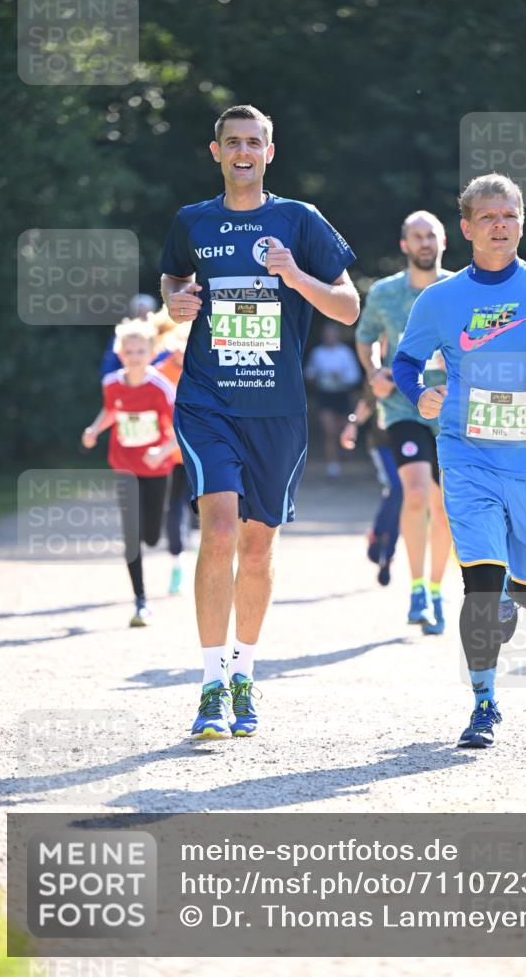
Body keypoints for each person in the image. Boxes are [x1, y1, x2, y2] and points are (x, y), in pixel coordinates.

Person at [159, 103, 358, 741]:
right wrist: (175, 300)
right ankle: (211, 685)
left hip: (277, 409)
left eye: (254, 142)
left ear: (269, 153)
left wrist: (294, 275)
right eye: (233, 142)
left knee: (258, 545)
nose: (243, 152)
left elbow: (348, 307)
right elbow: (174, 277)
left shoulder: (299, 220)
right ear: (215, 151)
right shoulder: (193, 221)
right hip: (207, 400)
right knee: (218, 529)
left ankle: (244, 672)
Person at [393, 173, 526, 749]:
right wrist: (420, 394)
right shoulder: (440, 299)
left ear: (522, 224)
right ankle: (484, 703)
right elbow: (406, 362)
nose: (500, 225)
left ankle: (518, 589)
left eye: (510, 215)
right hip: (467, 456)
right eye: (488, 216)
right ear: (466, 228)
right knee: (480, 585)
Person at [355, 212, 453, 635]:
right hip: (403, 405)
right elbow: (365, 338)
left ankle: (436, 590)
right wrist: (374, 373)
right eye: (417, 236)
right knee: (414, 492)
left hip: (451, 410)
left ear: (443, 242)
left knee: (445, 506)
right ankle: (415, 591)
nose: (425, 242)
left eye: (431, 235)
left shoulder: (462, 289)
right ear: (404, 245)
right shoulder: (384, 292)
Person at [82, 317, 179, 626]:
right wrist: (94, 429)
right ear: (120, 353)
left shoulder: (161, 387)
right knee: (131, 536)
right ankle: (141, 602)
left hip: (156, 467)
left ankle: (154, 527)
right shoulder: (111, 383)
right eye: (129, 351)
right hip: (124, 465)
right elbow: (112, 410)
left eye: (140, 351)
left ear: (152, 353)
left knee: (151, 536)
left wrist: (161, 451)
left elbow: (182, 428)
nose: (134, 357)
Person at [339, 376, 403, 586]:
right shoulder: (378, 369)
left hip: (410, 439)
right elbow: (368, 401)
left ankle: (388, 554)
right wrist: (352, 425)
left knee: (403, 496)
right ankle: (377, 533)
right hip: (382, 443)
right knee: (397, 487)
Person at [155, 321, 195, 594]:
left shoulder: (205, 370)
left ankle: (200, 545)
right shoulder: (158, 374)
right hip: (170, 456)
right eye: (179, 341)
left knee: (202, 508)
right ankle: (177, 564)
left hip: (200, 453)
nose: (182, 347)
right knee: (172, 509)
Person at [304, 322, 361, 477]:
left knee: (343, 428)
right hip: (325, 394)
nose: (330, 337)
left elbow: (355, 376)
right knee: (329, 431)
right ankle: (333, 464)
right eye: (327, 334)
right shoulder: (317, 353)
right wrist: (314, 377)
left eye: (333, 334)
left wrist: (341, 377)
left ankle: (346, 457)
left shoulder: (345, 353)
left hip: (342, 394)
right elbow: (309, 372)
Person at [99, 294, 159, 378]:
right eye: (138, 312)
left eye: (145, 313)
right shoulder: (120, 336)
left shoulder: (162, 337)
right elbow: (109, 367)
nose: (141, 316)